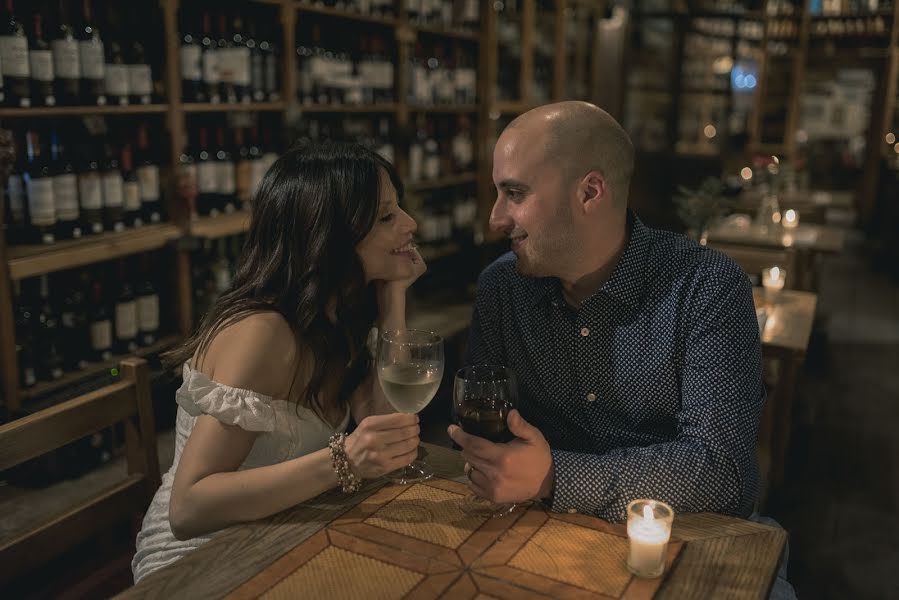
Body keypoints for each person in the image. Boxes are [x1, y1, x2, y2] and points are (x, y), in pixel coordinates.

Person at [447, 101, 796, 598]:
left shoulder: (706, 286)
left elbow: (723, 475)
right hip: (540, 536)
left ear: (590, 191)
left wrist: (554, 475)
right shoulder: (503, 288)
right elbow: (486, 434)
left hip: (689, 542)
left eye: (515, 194)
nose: (496, 217)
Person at [132, 142, 424, 583]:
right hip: (198, 563)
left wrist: (393, 297)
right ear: (328, 235)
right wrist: (343, 459)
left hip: (282, 535)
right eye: (386, 217)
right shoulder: (263, 333)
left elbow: (387, 433)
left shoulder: (337, 318)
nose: (410, 224)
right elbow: (189, 508)